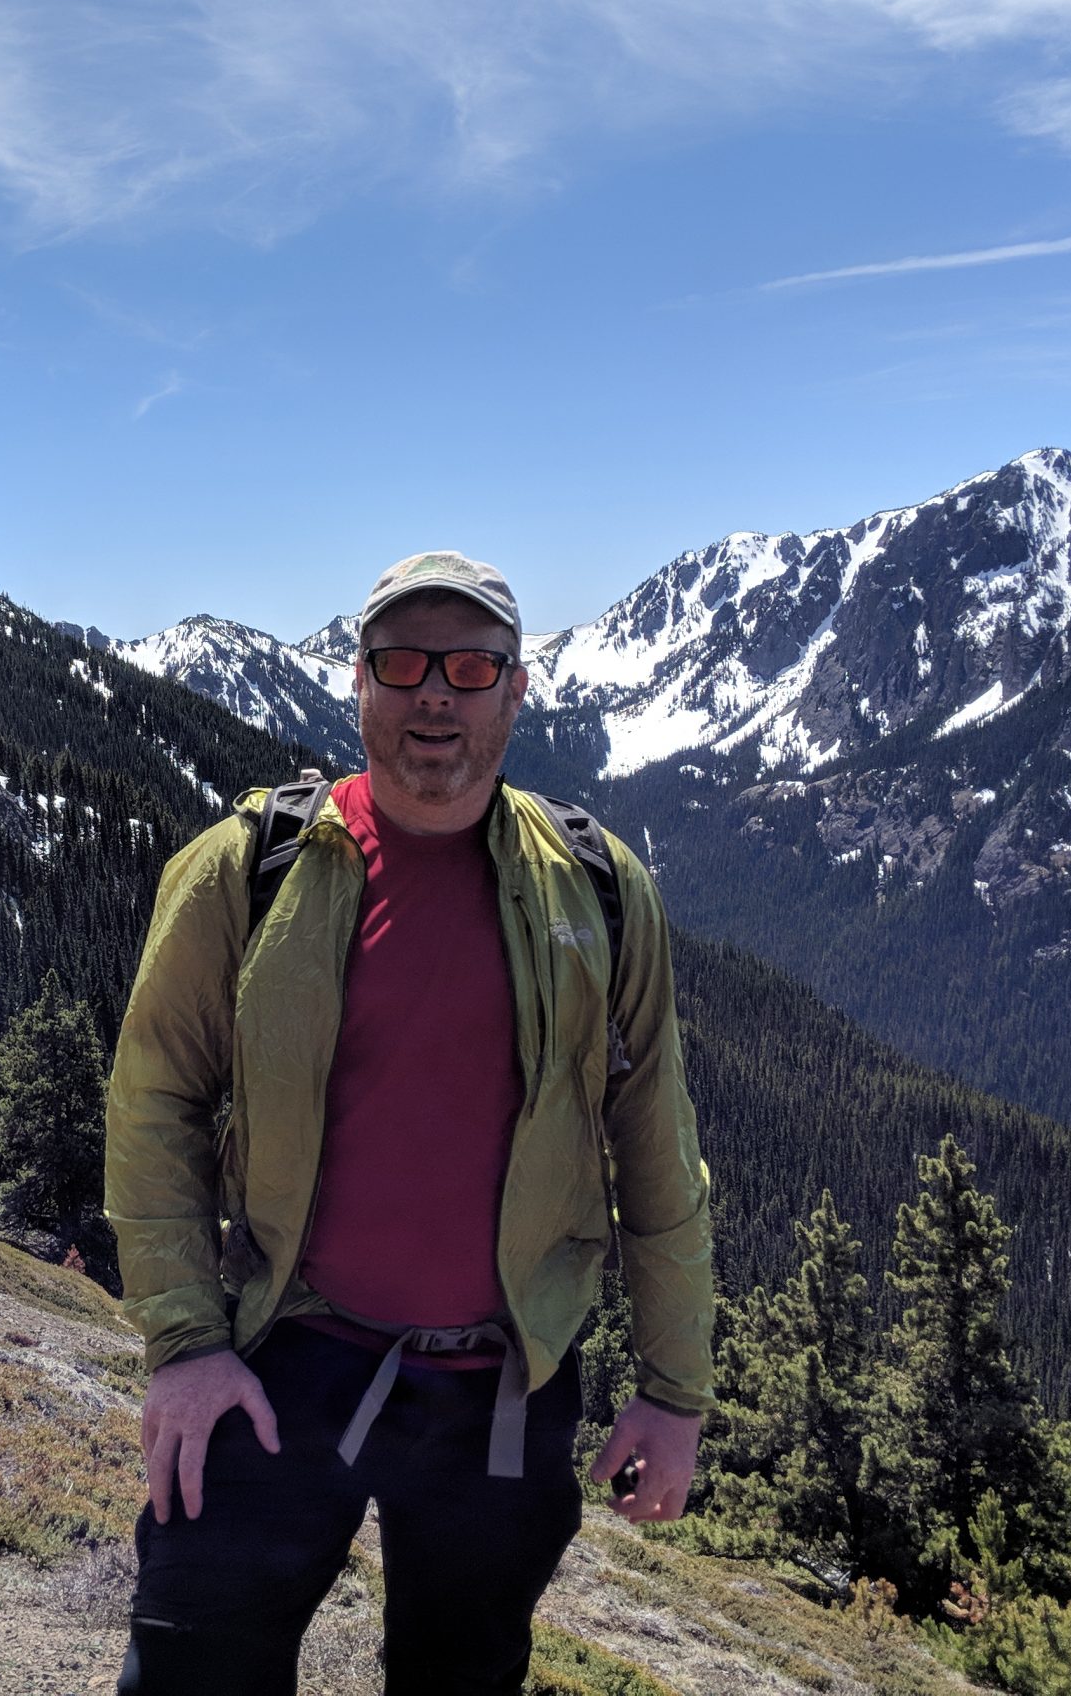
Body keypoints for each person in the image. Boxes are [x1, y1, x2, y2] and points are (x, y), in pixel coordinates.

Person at [104, 549, 715, 1695]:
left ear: (518, 690)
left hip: (503, 1394)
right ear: (359, 683)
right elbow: (155, 1101)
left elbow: (653, 1137)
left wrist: (673, 1393)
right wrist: (183, 1345)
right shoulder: (247, 869)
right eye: (403, 662)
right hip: (281, 1359)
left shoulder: (597, 884)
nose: (435, 693)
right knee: (188, 1674)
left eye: (470, 667)